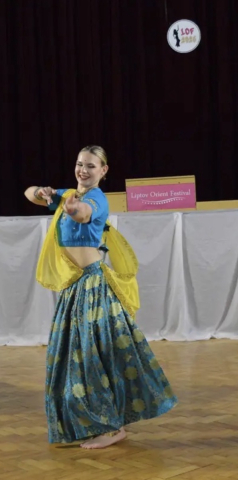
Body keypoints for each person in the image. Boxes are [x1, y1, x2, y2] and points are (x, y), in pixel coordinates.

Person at [24, 145, 177, 449]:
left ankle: (111, 427)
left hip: (92, 286)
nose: (83, 170)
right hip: (75, 285)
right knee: (78, 357)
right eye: (80, 164)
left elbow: (83, 214)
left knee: (92, 356)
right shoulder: (69, 194)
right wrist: (41, 192)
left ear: (103, 171)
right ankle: (93, 423)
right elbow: (29, 193)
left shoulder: (96, 199)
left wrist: (73, 209)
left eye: (91, 166)